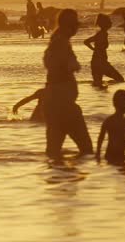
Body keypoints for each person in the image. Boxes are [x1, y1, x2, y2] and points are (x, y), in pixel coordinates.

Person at [43, 9, 93, 157]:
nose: (77, 28)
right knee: (86, 150)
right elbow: (62, 66)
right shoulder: (60, 43)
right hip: (63, 105)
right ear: (68, 26)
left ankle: (60, 175)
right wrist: (73, 64)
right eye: (75, 24)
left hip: (56, 104)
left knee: (53, 152)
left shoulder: (58, 41)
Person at [96, 90, 125, 165]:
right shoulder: (109, 121)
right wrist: (98, 154)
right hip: (110, 154)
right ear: (117, 104)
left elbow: (124, 138)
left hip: (121, 154)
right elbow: (101, 138)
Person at [83, 14, 124, 87]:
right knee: (120, 79)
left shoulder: (101, 33)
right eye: (109, 21)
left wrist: (94, 49)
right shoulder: (102, 34)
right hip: (101, 62)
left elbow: (86, 41)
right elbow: (86, 41)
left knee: (98, 85)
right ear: (105, 24)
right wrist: (94, 49)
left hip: (96, 62)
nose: (111, 23)